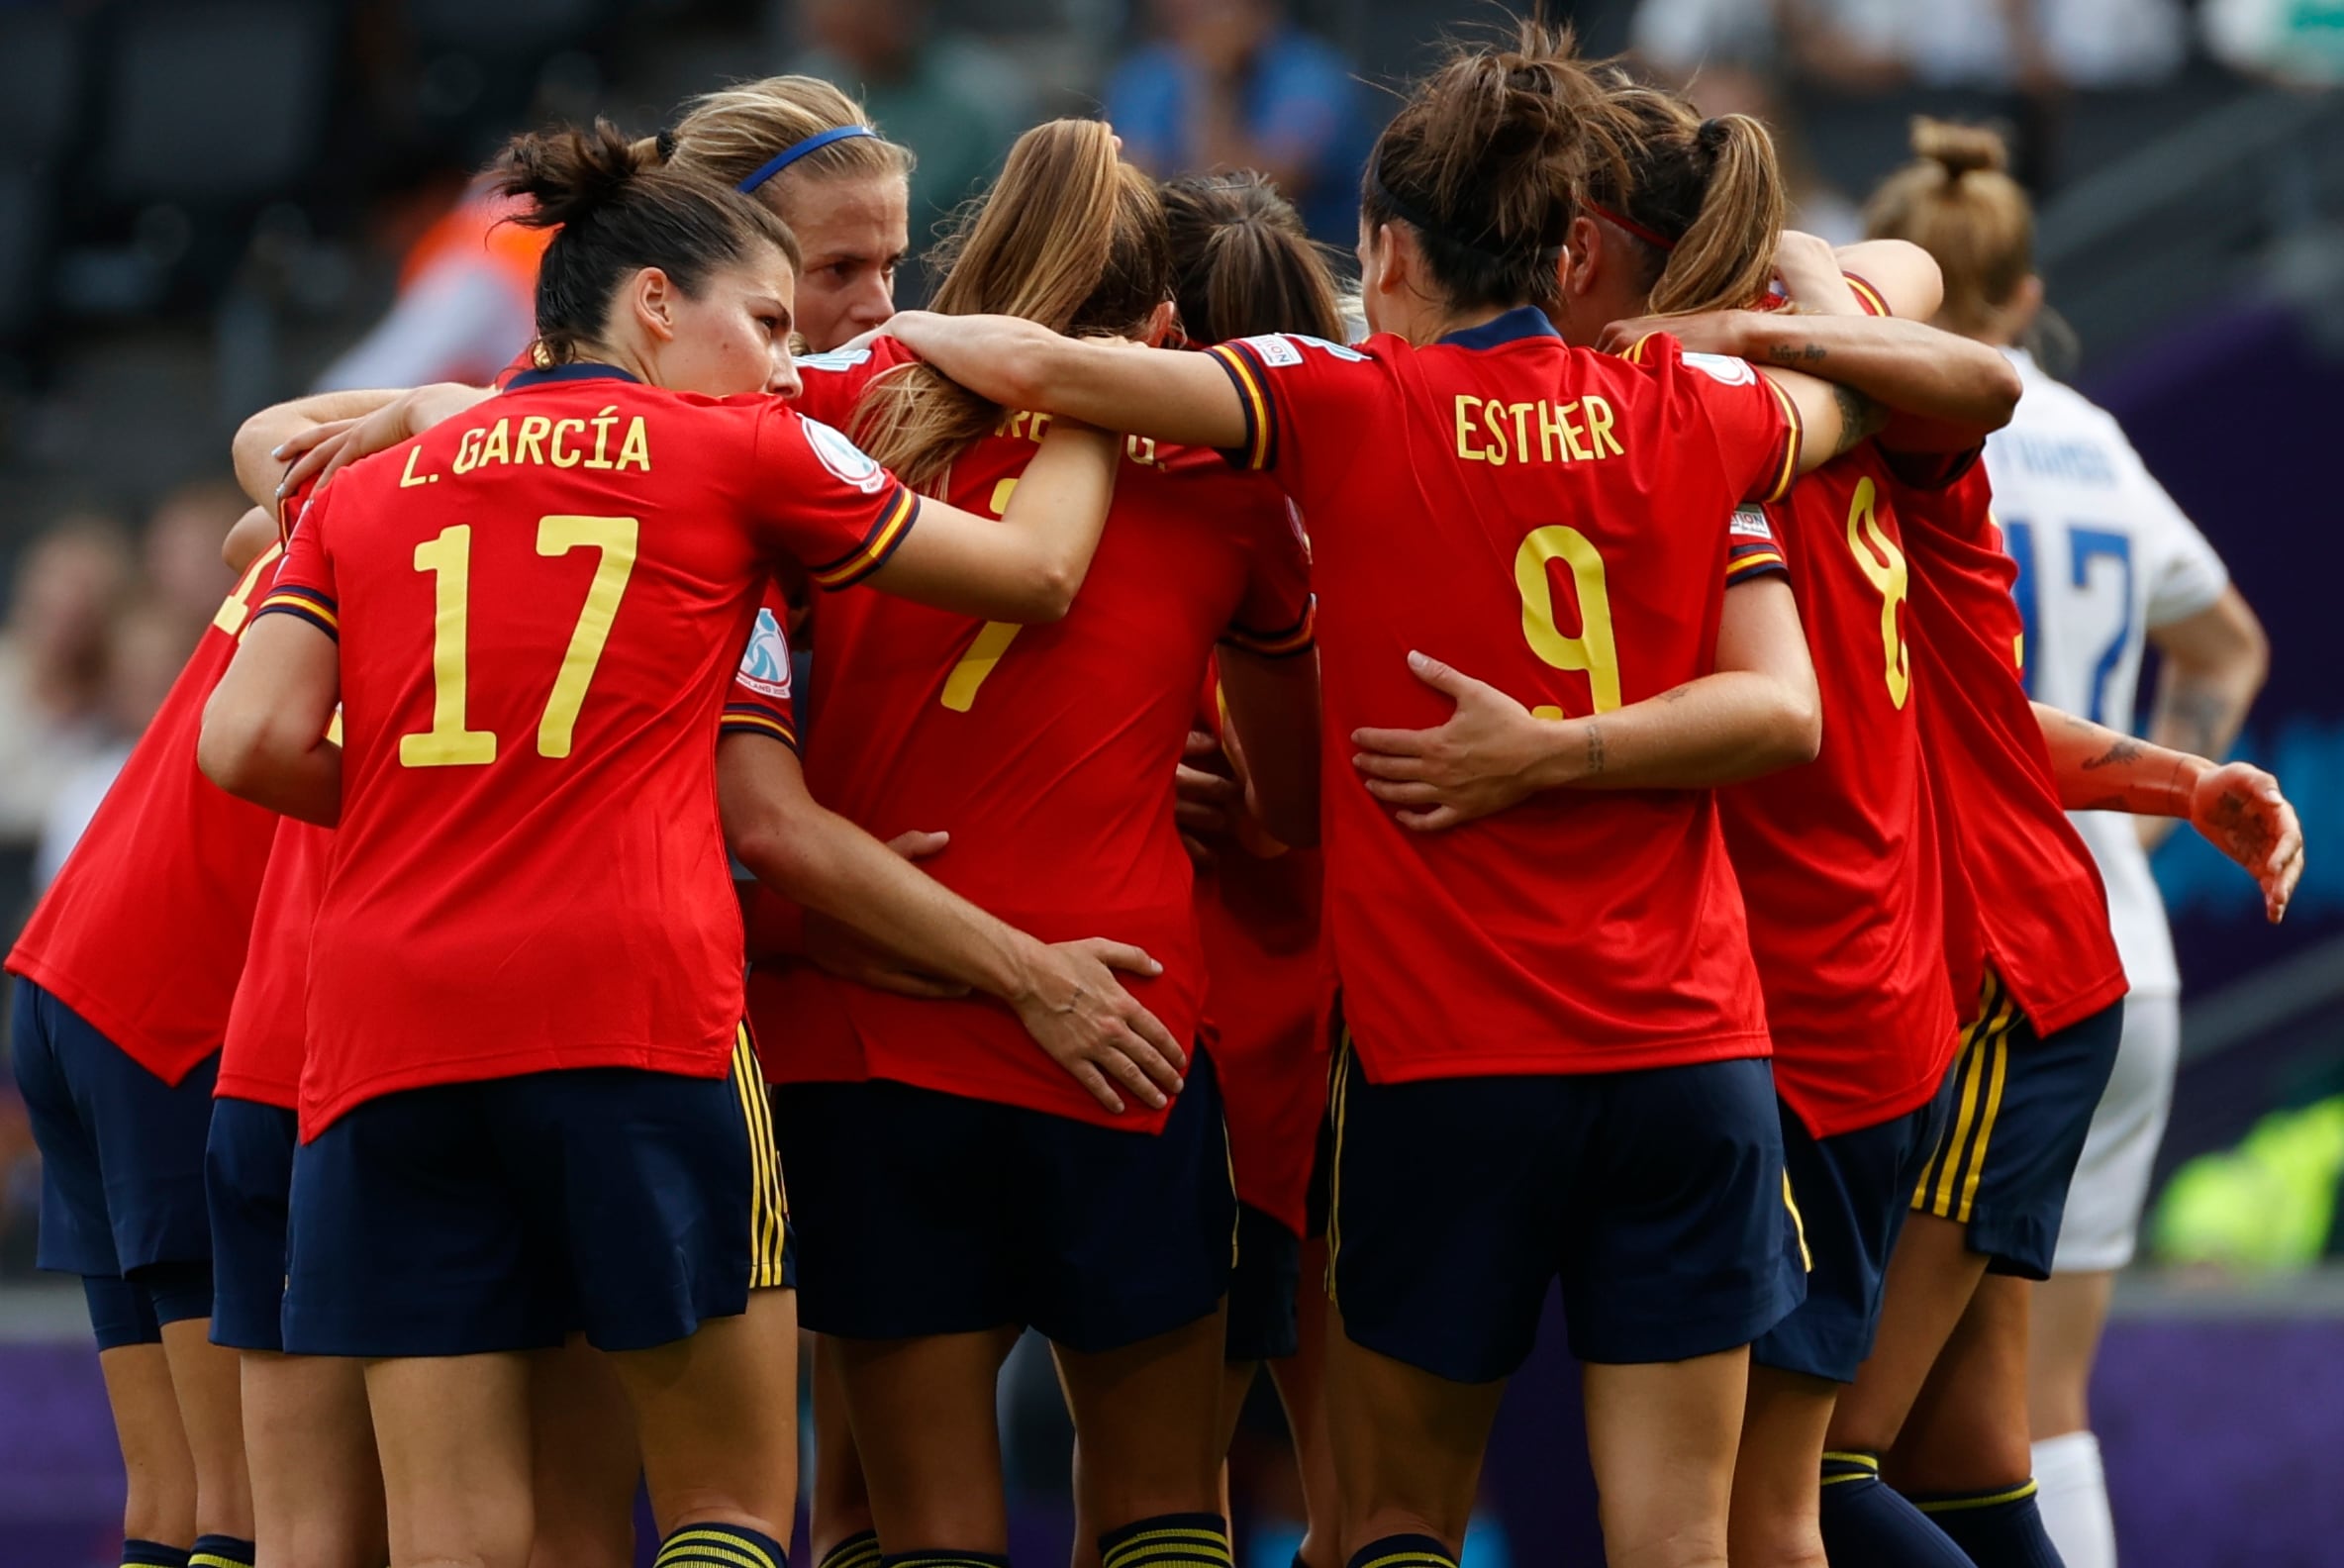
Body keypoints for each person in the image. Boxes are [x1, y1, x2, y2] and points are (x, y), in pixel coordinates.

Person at [876, 26, 1939, 1568]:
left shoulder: (1344, 398)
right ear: (1559, 245)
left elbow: (1035, 362)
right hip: (1692, 1056)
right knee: (1683, 1543)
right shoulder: (1694, 414)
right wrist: (1791, 318)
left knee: (1387, 1527)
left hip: (1457, 1069)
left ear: (1382, 245)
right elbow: (1865, 412)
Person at [194, 121, 1133, 1568]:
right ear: (649, 305)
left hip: (384, 1033)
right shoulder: (737, 446)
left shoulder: (378, 486)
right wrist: (1082, 396)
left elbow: (244, 744)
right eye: (764, 320)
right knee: (731, 1510)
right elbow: (1037, 575)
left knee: (457, 1529)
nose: (778, 359)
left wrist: (445, 800)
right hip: (632, 1009)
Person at [1337, 61, 2021, 1568]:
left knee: (1784, 1510)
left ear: (1578, 248)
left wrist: (1542, 757)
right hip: (1865, 996)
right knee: (1846, 1483)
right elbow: (1942, 332)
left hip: (1789, 1008)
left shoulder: (1681, 419)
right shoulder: (1831, 383)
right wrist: (1783, 291)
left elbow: (1786, 711)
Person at [759, 119, 1321, 1568]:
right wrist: (1215, 789)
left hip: (873, 1017)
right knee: (1160, 1518)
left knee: (908, 1528)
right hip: (1121, 1020)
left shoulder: (836, 413)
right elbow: (1297, 806)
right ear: (1153, 330)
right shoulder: (1227, 486)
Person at [1893, 118, 2272, 1568]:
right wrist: (2161, 820)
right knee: (2035, 1409)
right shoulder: (2096, 437)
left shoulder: (1907, 419)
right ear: (2028, 289)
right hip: (2114, 937)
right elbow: (2228, 643)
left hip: (1972, 942)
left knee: (1890, 1430)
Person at [7, 506, 283, 1568]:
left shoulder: (343, 513)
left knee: (168, 1498)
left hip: (68, 978)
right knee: (242, 1505)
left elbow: (253, 506)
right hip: (172, 1001)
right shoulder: (458, 545)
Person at [1157, 170, 1346, 1568]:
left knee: (1169, 1482)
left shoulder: (1151, 520)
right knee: (1375, 1478)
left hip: (1203, 1039)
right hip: (1383, 1022)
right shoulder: (1396, 477)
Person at [1106, 0, 1373, 244]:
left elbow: (1244, 199)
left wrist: (1213, 81)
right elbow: (1137, 193)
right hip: (1181, 268)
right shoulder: (1148, 75)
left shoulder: (1312, 75)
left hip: (1301, 270)